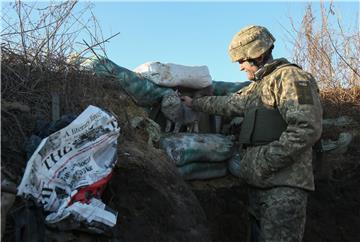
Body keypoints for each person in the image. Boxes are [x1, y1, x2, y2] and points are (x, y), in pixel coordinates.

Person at [182, 25, 323, 242]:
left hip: (284, 186)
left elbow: (306, 128)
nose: (240, 68)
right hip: (261, 183)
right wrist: (195, 103)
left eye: (241, 61)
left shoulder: (291, 78)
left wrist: (265, 162)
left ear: (258, 55)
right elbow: (230, 103)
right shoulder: (260, 86)